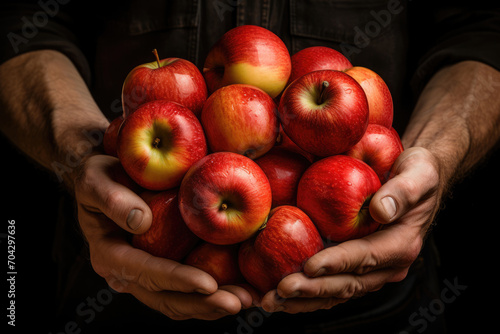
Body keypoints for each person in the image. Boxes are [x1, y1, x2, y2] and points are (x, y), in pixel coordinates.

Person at [1, 0, 499, 333]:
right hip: (122, 278)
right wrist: (80, 155)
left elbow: (483, 31)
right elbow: (21, 21)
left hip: (376, 301)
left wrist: (435, 155)